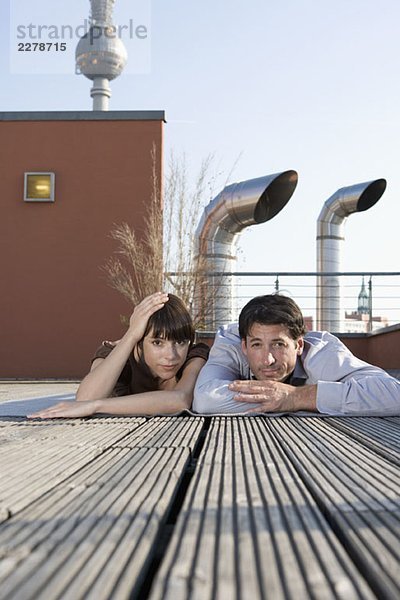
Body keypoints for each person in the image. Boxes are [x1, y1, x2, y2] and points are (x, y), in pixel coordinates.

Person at [193, 294, 400, 415]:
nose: (268, 360)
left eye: (278, 344)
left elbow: (394, 394)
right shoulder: (230, 343)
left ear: (299, 344)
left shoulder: (321, 352)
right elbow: (205, 399)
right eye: (257, 345)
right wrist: (279, 397)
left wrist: (295, 397)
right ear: (244, 346)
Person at [28, 292, 209, 419]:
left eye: (180, 342)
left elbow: (181, 400)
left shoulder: (194, 355)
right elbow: (85, 398)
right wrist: (130, 336)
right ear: (139, 341)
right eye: (157, 343)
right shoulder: (115, 354)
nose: (171, 356)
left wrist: (97, 406)